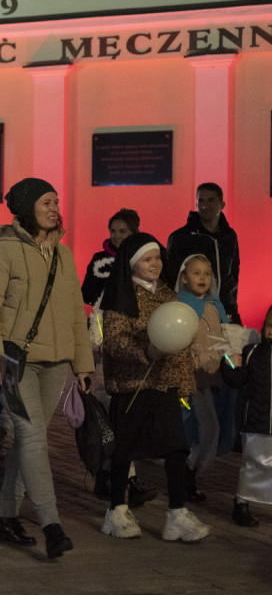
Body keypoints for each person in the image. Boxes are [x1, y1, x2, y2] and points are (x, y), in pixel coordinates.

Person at [0, 177, 93, 559]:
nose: (55, 208)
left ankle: (7, 518)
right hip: (14, 363)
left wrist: (83, 363)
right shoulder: (4, 250)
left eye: (56, 201)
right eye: (46, 202)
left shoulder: (64, 255)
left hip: (55, 362)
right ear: (28, 209)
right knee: (33, 436)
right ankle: (51, 525)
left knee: (28, 441)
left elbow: (76, 313)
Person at [98, 233, 211, 542]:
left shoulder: (167, 294)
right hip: (132, 385)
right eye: (147, 259)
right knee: (124, 451)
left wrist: (184, 382)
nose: (154, 264)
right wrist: (145, 351)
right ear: (132, 263)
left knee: (176, 448)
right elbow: (114, 341)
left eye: (157, 258)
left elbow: (179, 338)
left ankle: (177, 513)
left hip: (164, 385)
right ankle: (116, 510)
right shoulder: (120, 295)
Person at [80, 208, 156, 506]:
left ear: (135, 232)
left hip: (133, 346)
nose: (116, 236)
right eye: (113, 231)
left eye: (122, 231)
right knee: (107, 414)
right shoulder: (101, 261)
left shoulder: (145, 262)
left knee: (126, 416)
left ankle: (112, 476)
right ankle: (119, 478)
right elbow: (87, 296)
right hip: (102, 344)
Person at [175, 254, 240, 503]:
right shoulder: (181, 307)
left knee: (209, 428)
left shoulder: (215, 306)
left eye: (207, 273)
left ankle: (188, 475)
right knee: (202, 428)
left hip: (212, 378)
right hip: (190, 378)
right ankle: (186, 476)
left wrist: (232, 358)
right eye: (196, 273)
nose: (202, 278)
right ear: (184, 277)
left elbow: (224, 338)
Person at [166, 183, 240, 323]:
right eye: (201, 200)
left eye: (211, 200)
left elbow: (234, 273)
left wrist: (232, 304)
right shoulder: (181, 237)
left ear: (222, 204)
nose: (205, 205)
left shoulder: (229, 236)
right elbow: (172, 276)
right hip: (192, 311)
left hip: (226, 309)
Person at [229, 303, 272, 527]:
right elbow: (236, 378)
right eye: (270, 325)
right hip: (256, 420)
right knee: (252, 464)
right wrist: (228, 360)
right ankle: (241, 503)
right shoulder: (252, 352)